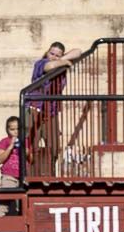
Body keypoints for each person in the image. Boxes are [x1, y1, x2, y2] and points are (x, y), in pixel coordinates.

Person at [27, 42, 82, 171]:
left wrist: (61, 60)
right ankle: (29, 175)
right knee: (31, 145)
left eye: (58, 55)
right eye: (52, 53)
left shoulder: (60, 65)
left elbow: (78, 51)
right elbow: (49, 66)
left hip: (51, 112)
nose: (53, 57)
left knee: (54, 147)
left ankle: (49, 173)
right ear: (47, 52)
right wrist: (63, 61)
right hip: (34, 108)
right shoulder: (41, 63)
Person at [0, 116, 22, 217]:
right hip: (9, 177)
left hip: (23, 178)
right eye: (12, 129)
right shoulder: (4, 141)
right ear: (7, 130)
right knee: (4, 202)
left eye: (18, 129)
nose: (15, 132)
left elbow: (31, 160)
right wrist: (10, 147)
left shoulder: (25, 141)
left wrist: (26, 152)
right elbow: (0, 159)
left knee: (22, 205)